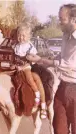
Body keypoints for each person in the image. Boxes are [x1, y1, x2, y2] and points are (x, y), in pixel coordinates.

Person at [26, 4, 76, 134]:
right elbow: (61, 56)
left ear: (73, 20)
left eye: (62, 19)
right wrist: (42, 60)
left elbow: (68, 64)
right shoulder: (66, 36)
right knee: (59, 128)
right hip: (63, 87)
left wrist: (41, 60)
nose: (59, 23)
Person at [13, 24, 47, 119]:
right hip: (18, 67)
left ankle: (36, 93)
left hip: (27, 67)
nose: (21, 37)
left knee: (29, 78)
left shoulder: (30, 47)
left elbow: (31, 61)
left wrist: (22, 67)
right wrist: (14, 65)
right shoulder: (16, 46)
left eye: (23, 35)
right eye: (19, 35)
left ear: (28, 36)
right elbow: (15, 59)